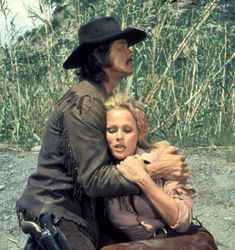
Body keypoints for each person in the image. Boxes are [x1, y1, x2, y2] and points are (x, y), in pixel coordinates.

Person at [16, 17, 188, 250]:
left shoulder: (101, 99)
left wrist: (160, 153)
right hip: (59, 208)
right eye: (122, 47)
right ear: (99, 56)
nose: (130, 52)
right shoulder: (85, 102)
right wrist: (156, 170)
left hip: (87, 210)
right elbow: (94, 180)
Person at [100, 94, 218, 250]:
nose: (119, 137)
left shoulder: (163, 157)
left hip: (182, 240)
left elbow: (181, 221)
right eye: (111, 130)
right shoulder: (101, 173)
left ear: (138, 133)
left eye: (127, 130)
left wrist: (143, 178)